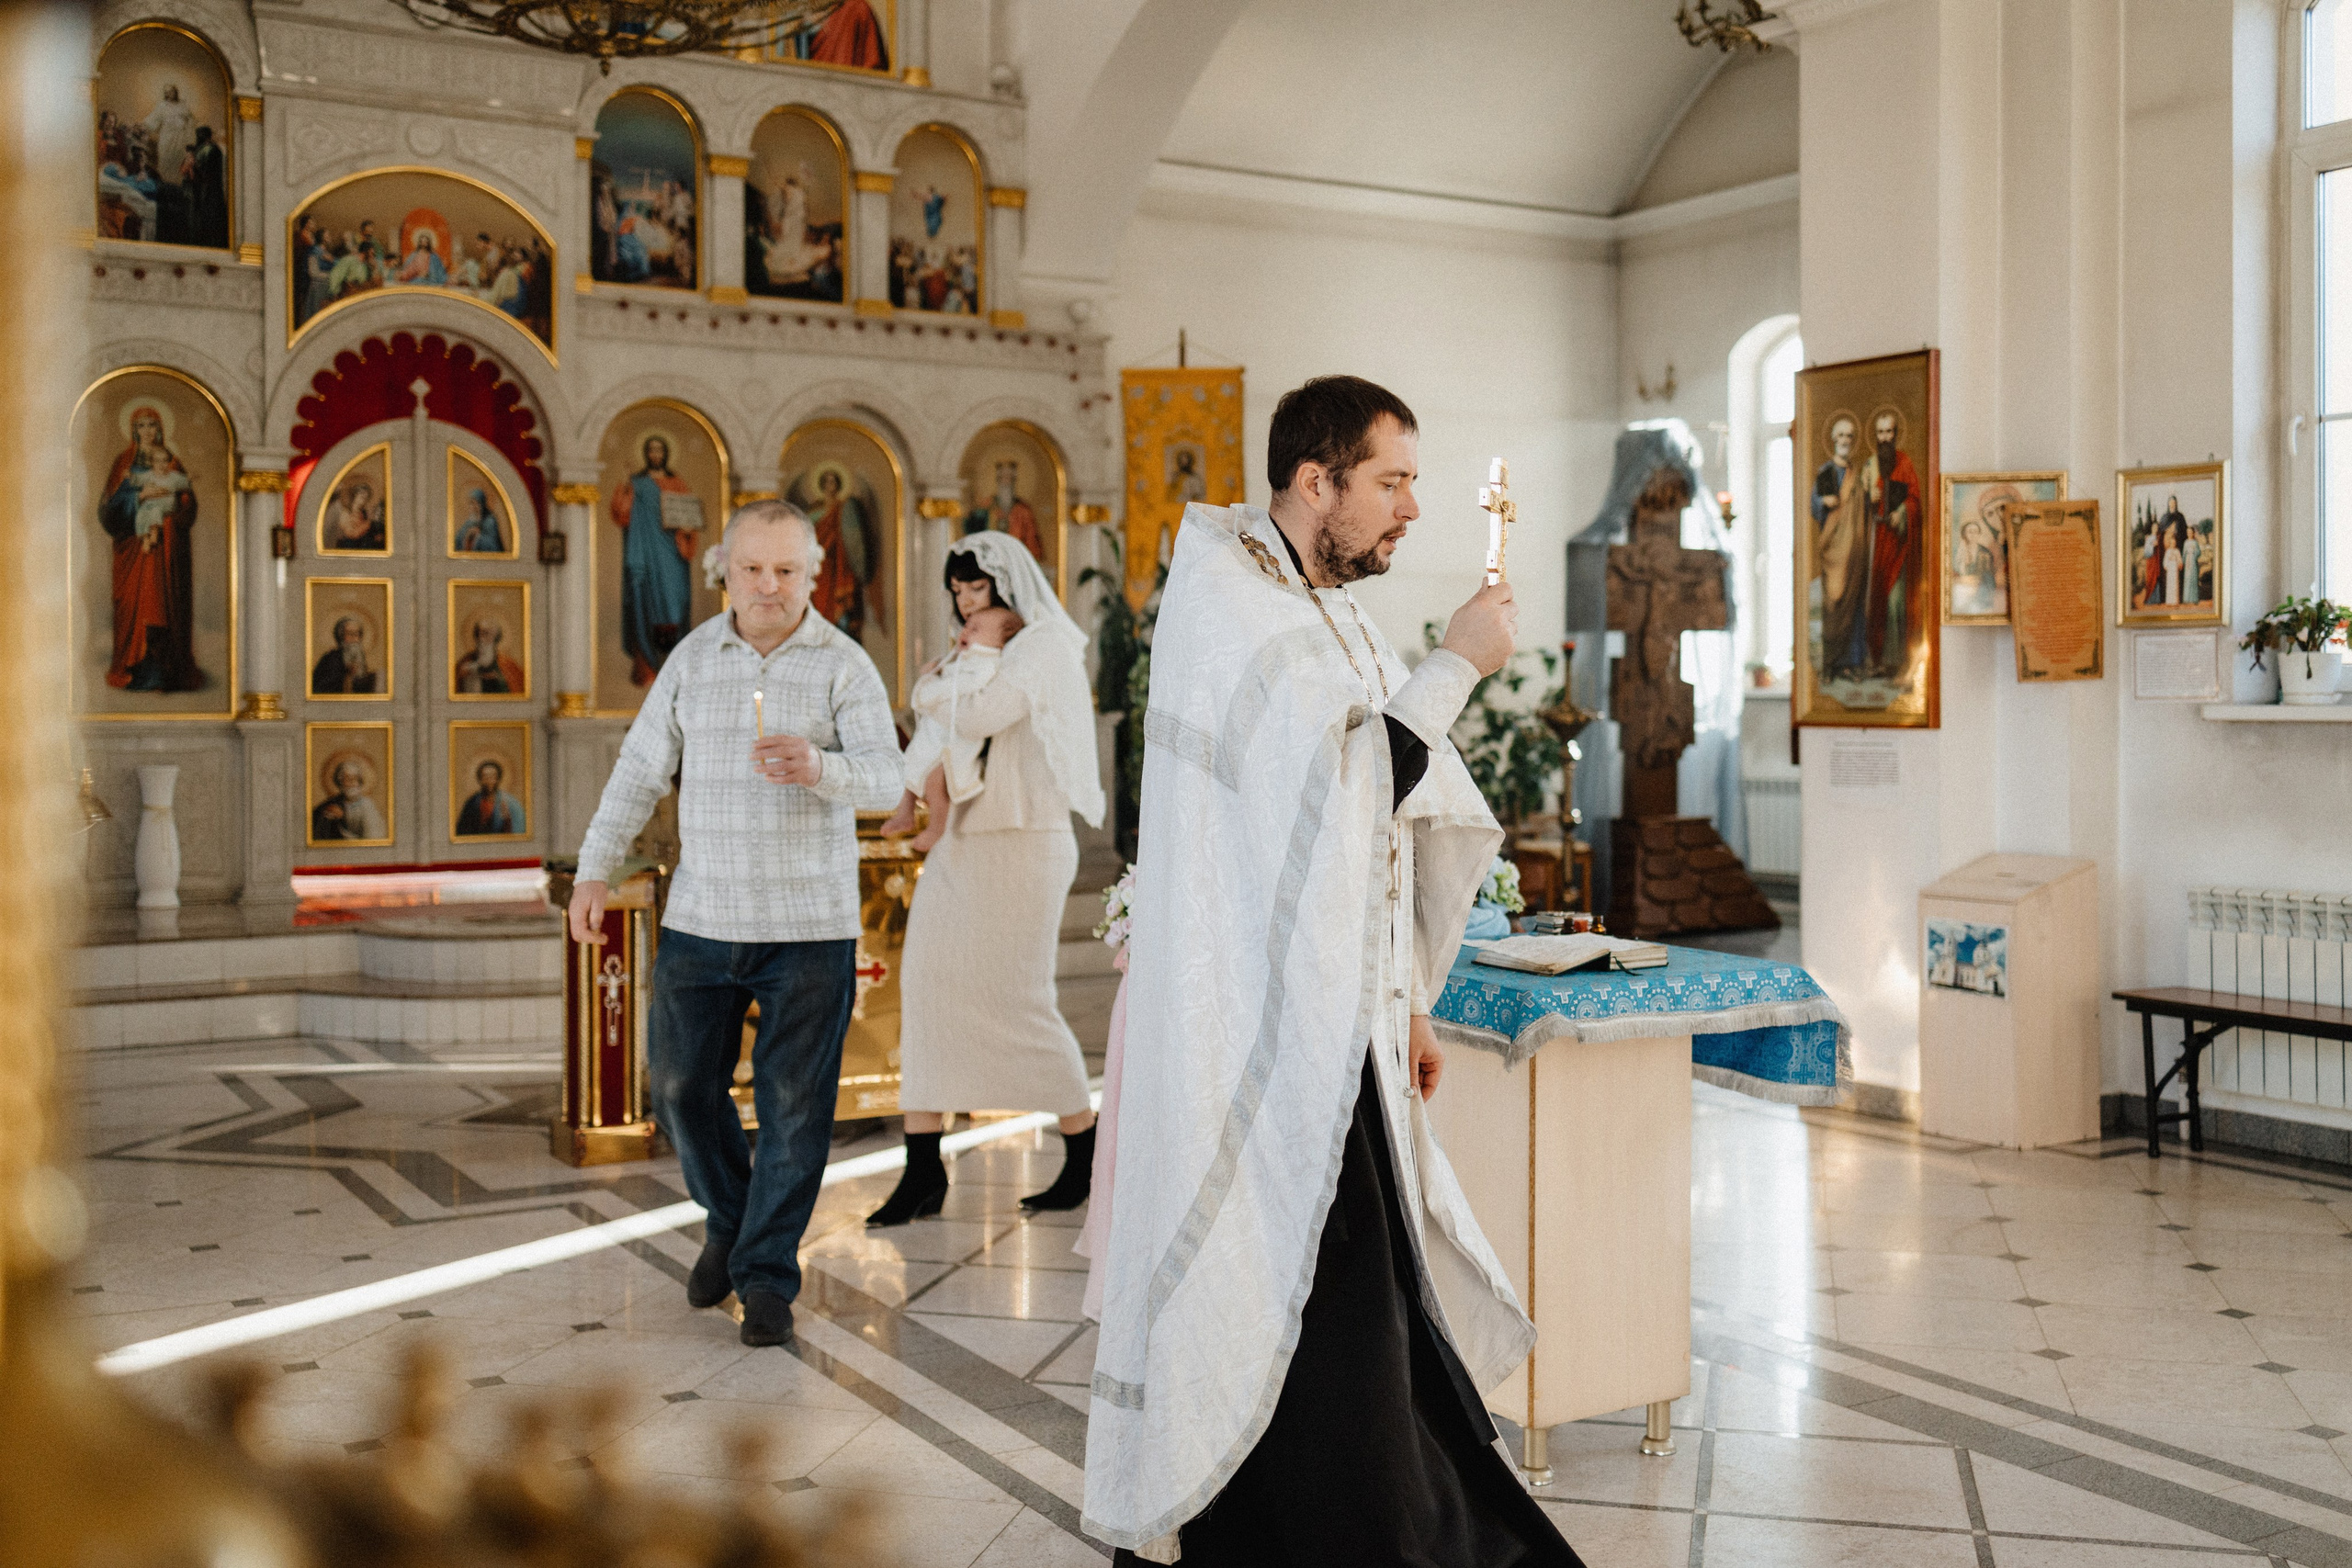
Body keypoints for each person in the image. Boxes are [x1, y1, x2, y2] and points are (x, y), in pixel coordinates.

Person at [1084, 376, 1583, 1567]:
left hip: (1334, 1022)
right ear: (1317, 480)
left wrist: (1400, 989)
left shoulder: (1321, 605)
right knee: (1321, 1305)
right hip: (1255, 1036)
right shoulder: (1230, 606)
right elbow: (1339, 790)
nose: (1411, 507)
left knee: (1361, 1308)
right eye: (1391, 479)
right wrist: (1459, 661)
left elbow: (1372, 824)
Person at [570, 501, 900, 1348]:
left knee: (795, 1110)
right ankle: (729, 1215)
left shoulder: (844, 665)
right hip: (704, 916)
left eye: (787, 570)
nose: (769, 585)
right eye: (753, 568)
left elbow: (887, 783)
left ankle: (763, 1277)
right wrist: (594, 869)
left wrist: (818, 765)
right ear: (725, 568)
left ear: (815, 572)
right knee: (679, 1087)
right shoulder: (690, 658)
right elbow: (639, 769)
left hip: (808, 925)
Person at [865, 532, 1106, 1226]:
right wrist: (944, 679)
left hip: (1025, 841)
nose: (968, 602)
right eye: (959, 592)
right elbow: (941, 707)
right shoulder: (982, 650)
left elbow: (975, 712)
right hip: (966, 839)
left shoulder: (1045, 646)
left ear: (1006, 583)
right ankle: (921, 1170)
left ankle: (1082, 1150)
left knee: (1020, 997)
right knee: (927, 987)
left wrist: (935, 679)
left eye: (977, 588)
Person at [878, 604, 1023, 852]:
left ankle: (937, 827)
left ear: (999, 643)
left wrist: (932, 685)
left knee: (936, 781)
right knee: (908, 767)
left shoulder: (986, 665)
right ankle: (905, 813)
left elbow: (965, 686)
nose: (966, 632)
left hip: (955, 741)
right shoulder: (963, 658)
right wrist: (937, 672)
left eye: (975, 629)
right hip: (936, 733)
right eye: (966, 626)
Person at [99, 403, 203, 693]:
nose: (147, 431)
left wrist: (176, 503)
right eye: (141, 426)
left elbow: (189, 504)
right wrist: (138, 497)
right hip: (134, 548)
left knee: (162, 603)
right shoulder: (123, 463)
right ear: (133, 430)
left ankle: (166, 666)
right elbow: (108, 512)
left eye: (152, 425)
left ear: (160, 429)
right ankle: (134, 665)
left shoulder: (173, 462)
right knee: (137, 603)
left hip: (167, 548)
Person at [613, 434, 698, 684]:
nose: (656, 455)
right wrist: (626, 488)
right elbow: (621, 514)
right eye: (651, 450)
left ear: (666, 454)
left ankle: (674, 668)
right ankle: (648, 666)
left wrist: (687, 527)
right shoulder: (637, 483)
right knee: (646, 603)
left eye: (660, 450)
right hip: (645, 553)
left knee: (673, 605)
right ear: (646, 454)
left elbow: (690, 518)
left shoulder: (677, 483)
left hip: (672, 554)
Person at [1859, 407, 1920, 679]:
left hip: (1898, 544)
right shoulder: (1870, 466)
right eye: (1880, 432)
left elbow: (1915, 499)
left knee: (1896, 603)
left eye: (1889, 432)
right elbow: (1856, 509)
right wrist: (1867, 498)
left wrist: (1902, 512)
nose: (1885, 438)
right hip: (1876, 543)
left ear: (1896, 434)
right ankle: (1878, 661)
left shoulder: (1905, 463)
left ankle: (1898, 662)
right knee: (1876, 601)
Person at [1812, 413, 1868, 680]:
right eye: (1841, 436)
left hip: (1854, 550)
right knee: (1833, 605)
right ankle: (1831, 664)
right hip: (1834, 549)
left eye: (1849, 437)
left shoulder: (1856, 475)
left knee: (1854, 604)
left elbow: (1864, 509)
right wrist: (1824, 502)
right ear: (1834, 439)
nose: (1845, 441)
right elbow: (1815, 506)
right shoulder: (1825, 472)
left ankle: (1852, 663)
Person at [965, 458, 1044, 560]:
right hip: (990, 560)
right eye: (1002, 477)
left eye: (1009, 477)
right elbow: (973, 531)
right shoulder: (987, 505)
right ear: (998, 479)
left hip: (1016, 560)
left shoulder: (1024, 510)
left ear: (1014, 480)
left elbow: (1032, 542)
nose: (1006, 481)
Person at [311, 758, 388, 841]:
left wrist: (342, 817)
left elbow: (372, 838)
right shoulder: (333, 803)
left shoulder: (367, 805)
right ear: (340, 781)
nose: (352, 782)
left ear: (359, 781)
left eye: (355, 778)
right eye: (347, 778)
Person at [453, 616, 525, 694]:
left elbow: (517, 688)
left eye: (486, 633)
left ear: (495, 637)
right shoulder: (465, 661)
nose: (481, 638)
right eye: (478, 633)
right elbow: (455, 685)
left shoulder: (508, 664)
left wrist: (498, 678)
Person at [311, 615, 379, 695]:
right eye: (349, 633)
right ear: (341, 636)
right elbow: (320, 686)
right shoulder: (331, 658)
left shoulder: (360, 657)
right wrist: (346, 673)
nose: (354, 637)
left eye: (356, 634)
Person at [454, 759, 524, 837]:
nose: (489, 781)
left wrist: (507, 820)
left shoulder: (510, 803)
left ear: (498, 779)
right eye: (485, 776)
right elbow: (462, 832)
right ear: (480, 779)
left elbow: (518, 832)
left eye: (493, 776)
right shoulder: (472, 802)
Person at [454, 487, 506, 554]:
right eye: (471, 503)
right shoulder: (470, 521)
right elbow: (457, 540)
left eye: (477, 503)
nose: (474, 507)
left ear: (483, 504)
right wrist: (467, 535)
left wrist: (478, 536)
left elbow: (494, 545)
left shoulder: (490, 520)